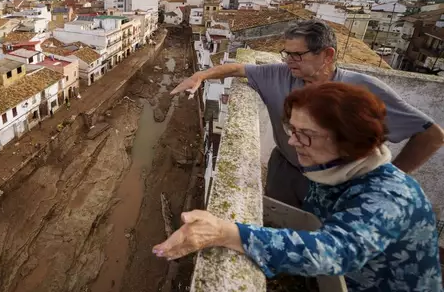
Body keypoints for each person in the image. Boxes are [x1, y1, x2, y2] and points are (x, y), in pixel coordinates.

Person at [154, 83, 443, 291]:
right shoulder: (330, 168)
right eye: (293, 130)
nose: (292, 142)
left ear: (349, 142)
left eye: (305, 135)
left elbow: (333, 253)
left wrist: (226, 233)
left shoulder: (390, 197)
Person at [172, 20, 444, 208]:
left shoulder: (362, 89)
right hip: (286, 172)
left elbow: (431, 135)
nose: (288, 61)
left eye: (297, 55)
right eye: (286, 53)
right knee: (278, 225)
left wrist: (391, 177)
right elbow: (236, 69)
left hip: (340, 184)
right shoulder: (278, 74)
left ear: (327, 55)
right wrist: (199, 76)